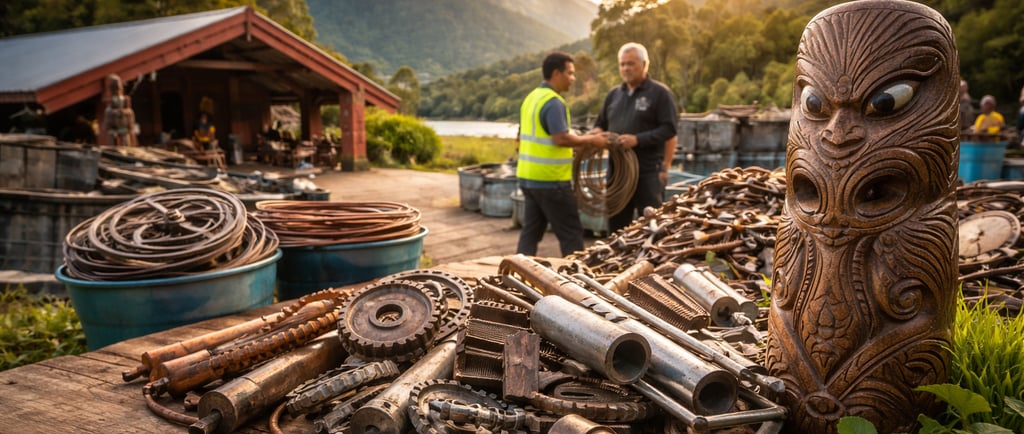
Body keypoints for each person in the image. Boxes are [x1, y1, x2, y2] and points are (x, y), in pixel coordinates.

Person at [516, 51, 609, 257]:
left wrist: (582, 137)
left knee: (530, 234)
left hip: (529, 179)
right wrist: (592, 140)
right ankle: (577, 280)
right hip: (552, 182)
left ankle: (514, 274)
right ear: (556, 73)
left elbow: (545, 135)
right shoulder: (554, 102)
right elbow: (561, 139)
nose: (573, 78)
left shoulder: (532, 98)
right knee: (571, 235)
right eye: (570, 73)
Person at [592, 42, 678, 232]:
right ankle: (617, 261)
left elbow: (669, 129)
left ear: (644, 64)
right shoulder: (614, 95)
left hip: (647, 172)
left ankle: (650, 261)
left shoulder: (659, 93)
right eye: (622, 64)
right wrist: (596, 134)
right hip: (617, 174)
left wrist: (637, 139)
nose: (626, 68)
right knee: (616, 226)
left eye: (631, 64)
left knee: (651, 226)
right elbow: (600, 124)